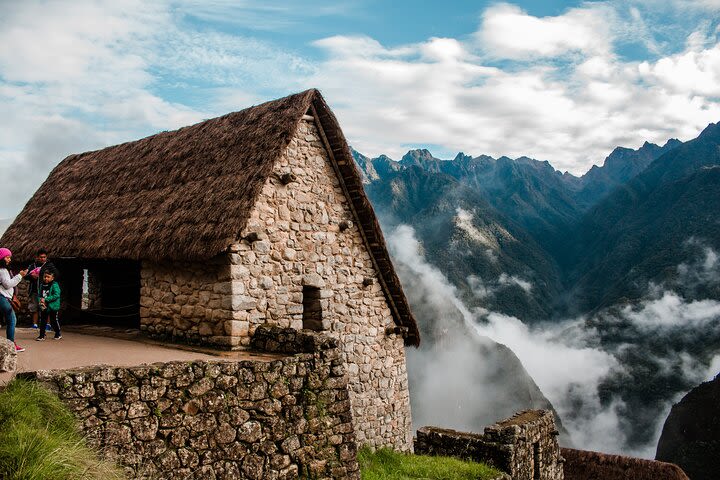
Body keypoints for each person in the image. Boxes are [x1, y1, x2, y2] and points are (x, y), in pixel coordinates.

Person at [0, 248, 28, 352]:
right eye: (7, 257)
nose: (9, 259)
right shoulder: (2, 271)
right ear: (2, 258)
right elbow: (7, 285)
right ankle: (11, 345)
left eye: (9, 257)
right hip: (2, 298)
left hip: (3, 297)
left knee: (11, 320)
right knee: (12, 320)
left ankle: (10, 344)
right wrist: (19, 276)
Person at [27, 248, 56, 329]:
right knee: (34, 307)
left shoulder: (49, 265)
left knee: (45, 307)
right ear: (37, 257)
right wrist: (31, 276)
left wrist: (46, 277)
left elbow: (56, 274)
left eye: (44, 257)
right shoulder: (33, 266)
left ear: (46, 257)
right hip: (34, 290)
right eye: (41, 257)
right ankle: (35, 324)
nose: (42, 259)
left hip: (45, 291)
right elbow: (26, 276)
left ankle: (48, 325)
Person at [36, 269, 61, 341]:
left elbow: (56, 295)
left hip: (52, 306)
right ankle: (41, 335)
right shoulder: (42, 285)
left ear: (52, 278)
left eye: (48, 277)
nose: (46, 278)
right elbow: (40, 294)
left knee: (53, 320)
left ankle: (58, 333)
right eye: (45, 277)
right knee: (43, 320)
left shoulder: (55, 285)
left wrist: (46, 299)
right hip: (44, 306)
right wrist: (40, 301)